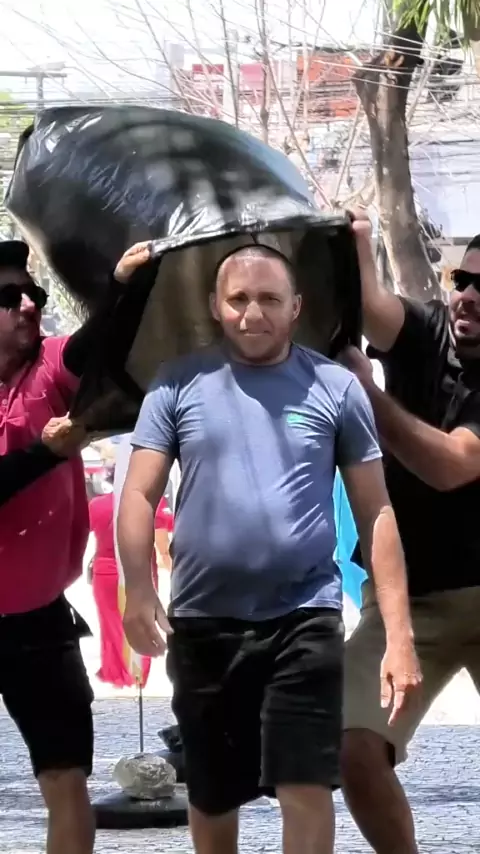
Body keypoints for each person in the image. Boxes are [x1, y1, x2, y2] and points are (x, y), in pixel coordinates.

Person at [116, 240, 420, 854]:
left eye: (269, 299)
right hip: (204, 622)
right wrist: (139, 590)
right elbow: (140, 495)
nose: (253, 313)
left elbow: (376, 511)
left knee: (305, 784)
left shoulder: (335, 387)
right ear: (214, 305)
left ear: (295, 306)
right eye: (238, 299)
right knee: (213, 793)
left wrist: (399, 635)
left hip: (305, 619)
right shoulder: (176, 383)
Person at [341, 214, 480, 854]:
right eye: (462, 280)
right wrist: (357, 239)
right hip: (411, 597)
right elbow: (373, 307)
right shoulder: (428, 329)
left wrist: (368, 396)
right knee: (352, 746)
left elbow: (451, 465)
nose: (467, 296)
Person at [0, 238, 126, 854]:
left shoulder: (49, 365)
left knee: (66, 776)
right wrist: (45, 454)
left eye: (34, 293)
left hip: (38, 619)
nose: (29, 304)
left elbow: (91, 347)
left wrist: (120, 288)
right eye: (9, 296)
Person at [89, 469, 173, 688]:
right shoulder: (152, 504)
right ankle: (137, 675)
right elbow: (163, 546)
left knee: (110, 625)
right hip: (140, 571)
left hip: (105, 572)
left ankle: (116, 673)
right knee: (142, 621)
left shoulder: (97, 505)